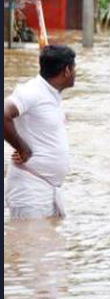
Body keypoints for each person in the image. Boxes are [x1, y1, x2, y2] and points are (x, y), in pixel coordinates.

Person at [4, 45, 76, 219]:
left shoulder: (52, 94)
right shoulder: (33, 91)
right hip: (30, 190)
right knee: (29, 245)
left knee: (49, 245)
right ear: (67, 70)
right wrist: (22, 148)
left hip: (48, 188)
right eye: (74, 68)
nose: (75, 74)